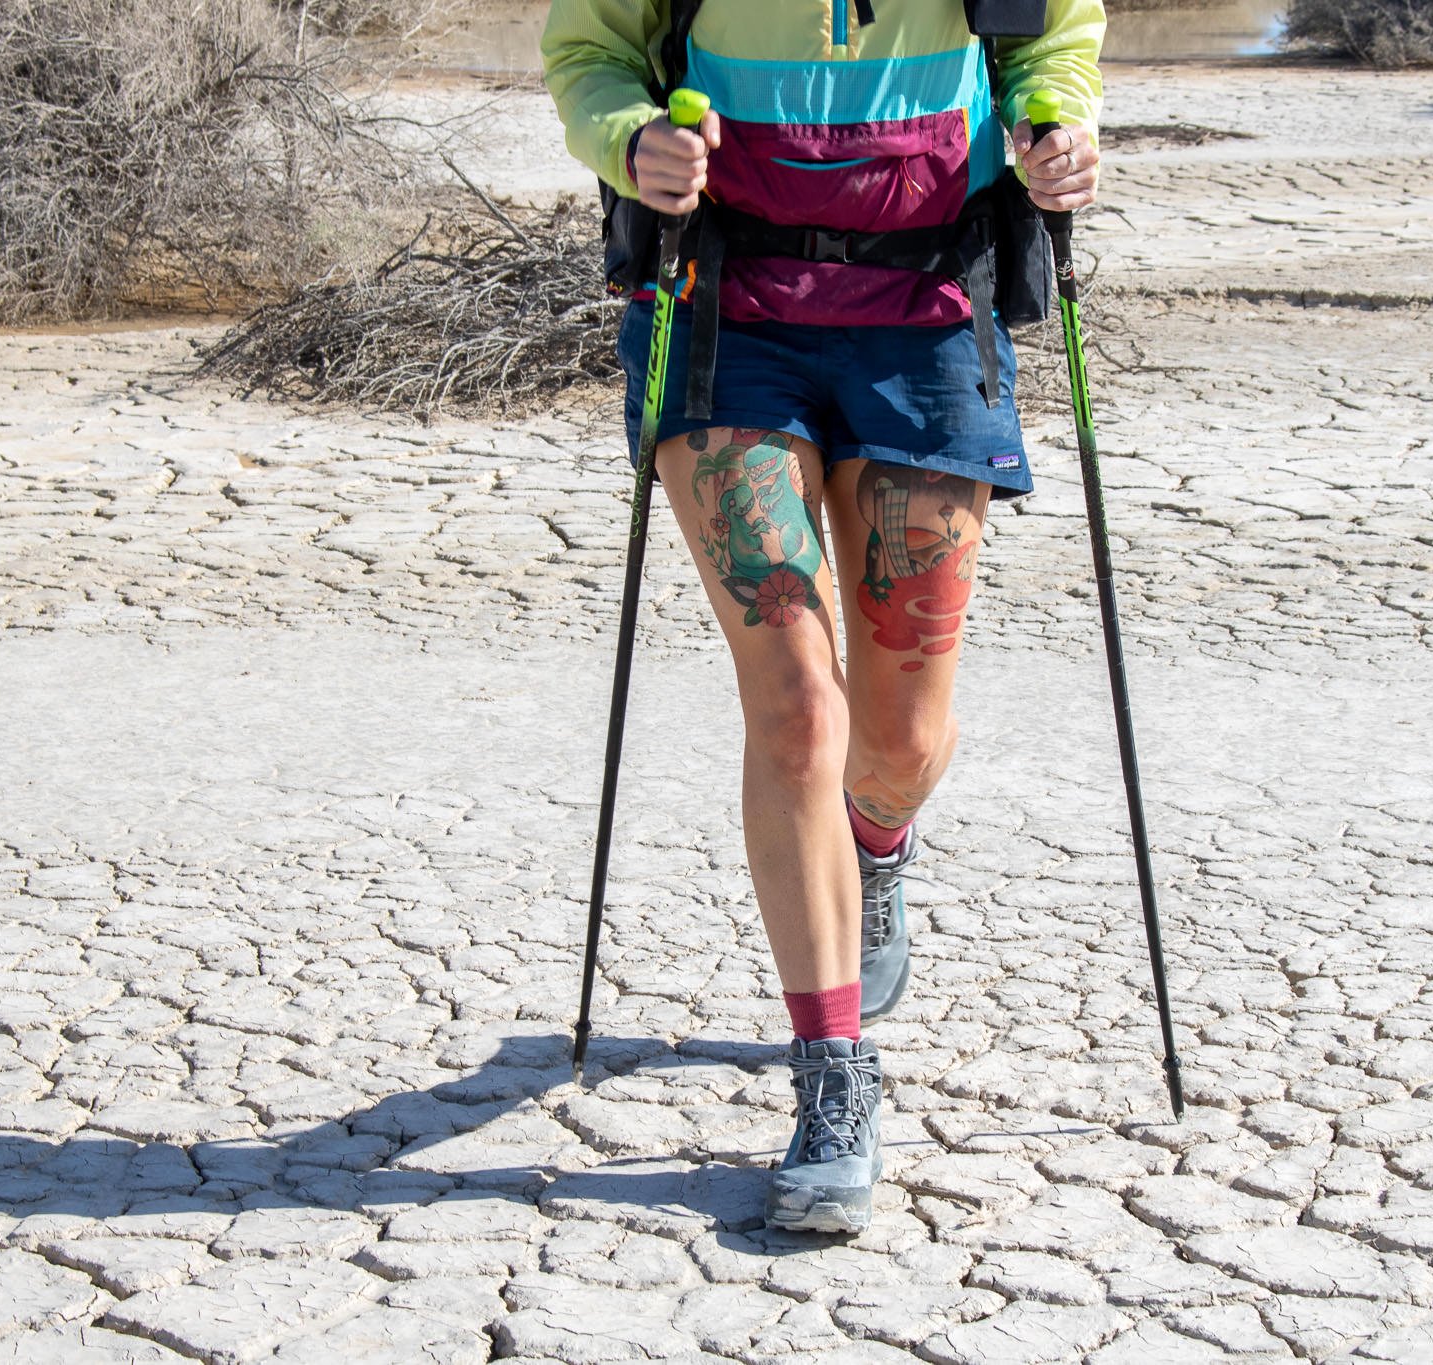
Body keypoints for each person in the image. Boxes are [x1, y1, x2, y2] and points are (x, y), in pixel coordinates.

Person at [543, 0, 1103, 1234]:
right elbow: (587, 50)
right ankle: (832, 1074)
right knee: (797, 705)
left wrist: (1058, 125)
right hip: (721, 310)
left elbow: (1049, 38)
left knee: (897, 736)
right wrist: (629, 137)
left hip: (924, 320)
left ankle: (877, 846)